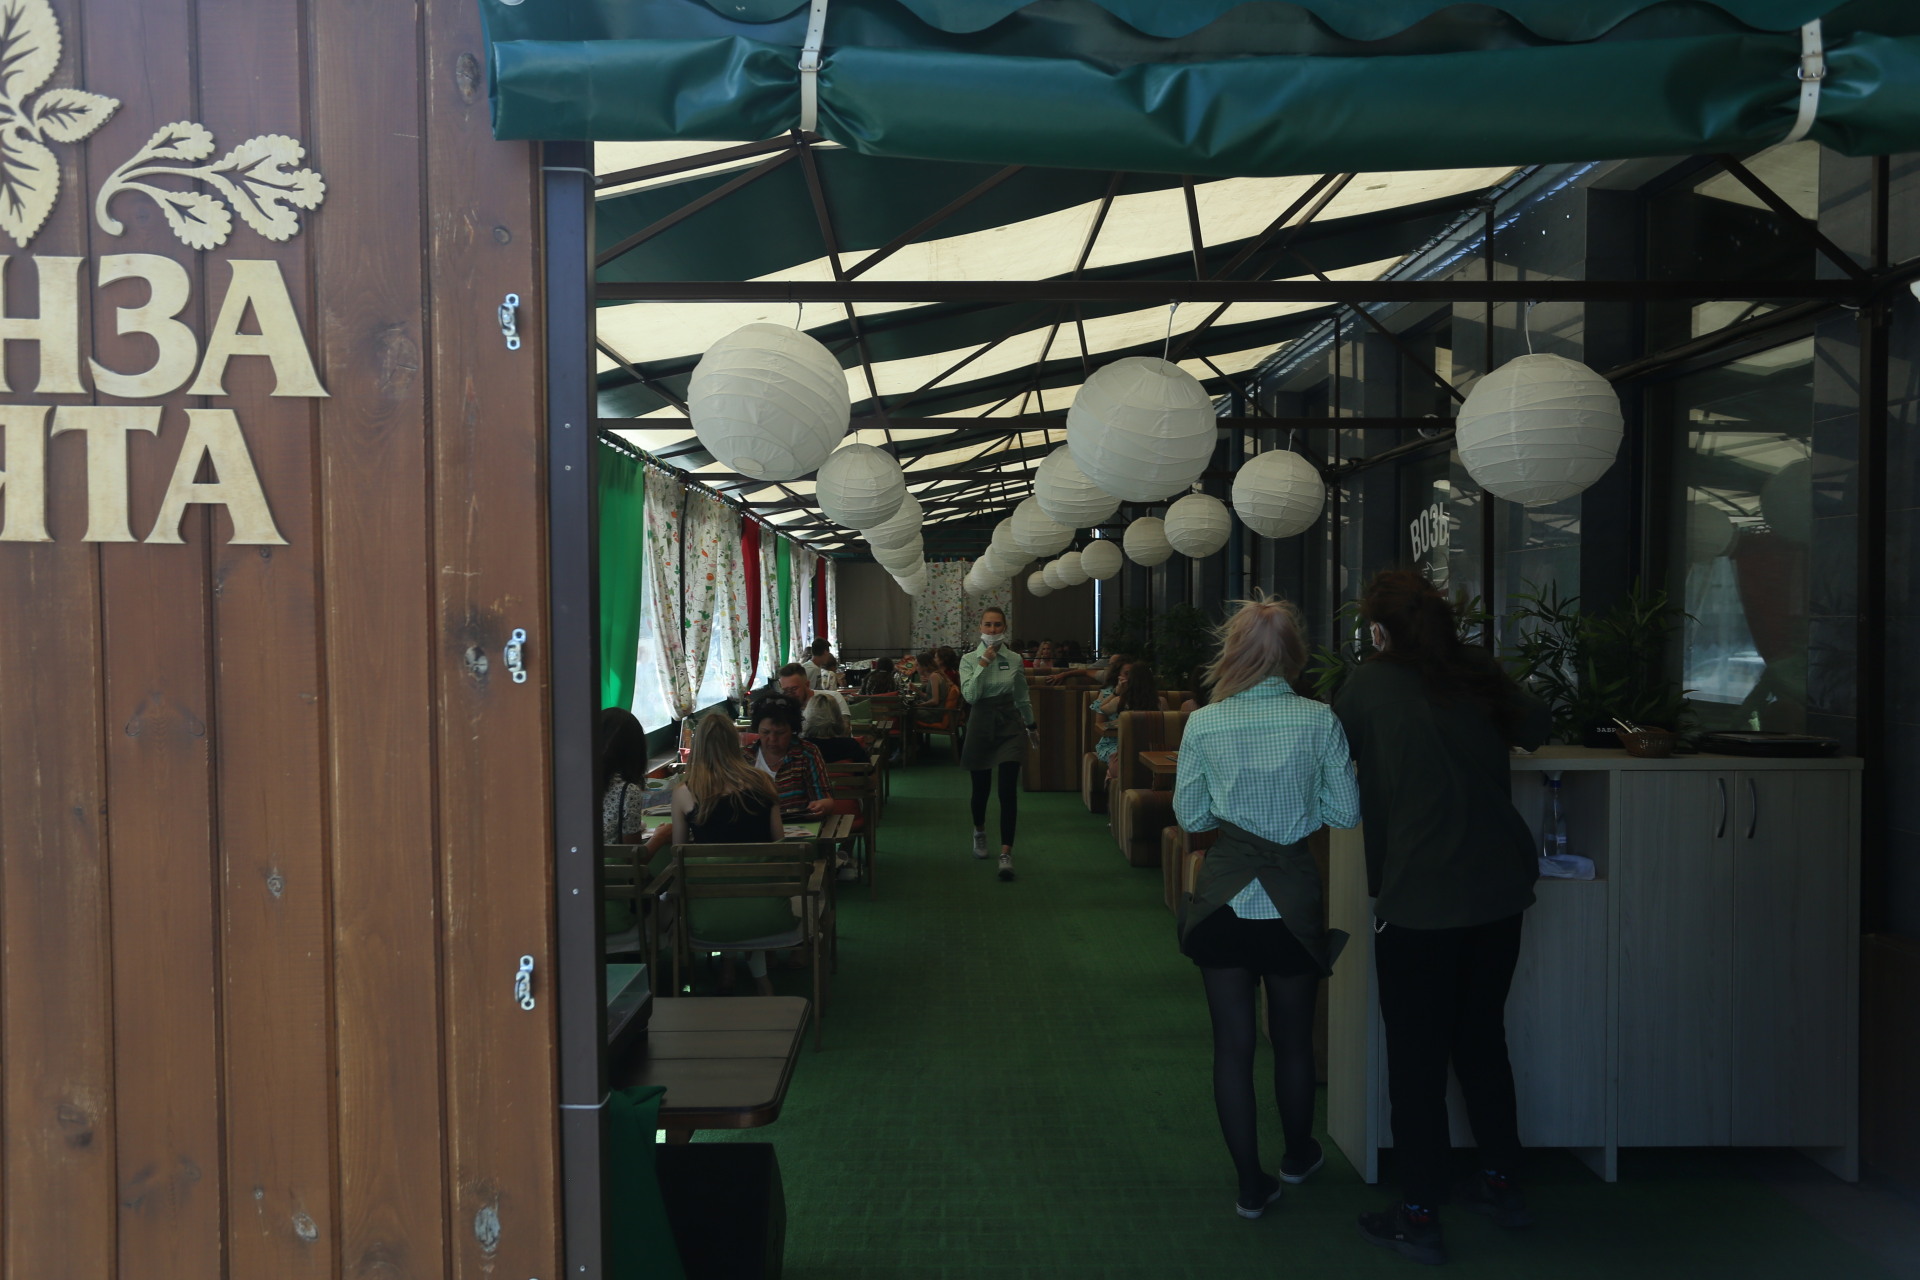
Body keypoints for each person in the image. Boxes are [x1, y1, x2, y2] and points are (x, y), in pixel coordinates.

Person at [1333, 571, 1551, 1266]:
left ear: (1378, 632)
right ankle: (1501, 1183)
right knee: (1482, 1038)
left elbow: (1335, 757)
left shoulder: (1369, 683)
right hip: (1499, 892)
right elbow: (1539, 728)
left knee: (1417, 1060)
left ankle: (1420, 1213)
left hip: (1419, 897)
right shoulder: (1476, 669)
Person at [1172, 595, 1360, 1222]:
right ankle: (1299, 1155)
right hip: (1292, 902)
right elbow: (1344, 813)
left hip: (1223, 902)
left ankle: (1250, 1185)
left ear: (1233, 654)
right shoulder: (1320, 720)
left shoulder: (1204, 723)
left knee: (1233, 1047)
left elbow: (1192, 816)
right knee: (1294, 1041)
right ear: (1295, 655)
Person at [670, 711, 786, 995]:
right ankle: (757, 976)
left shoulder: (685, 792)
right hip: (765, 907)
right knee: (747, 883)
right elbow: (780, 845)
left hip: (709, 913)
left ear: (698, 747)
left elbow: (678, 855)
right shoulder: (763, 782)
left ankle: (727, 970)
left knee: (720, 886)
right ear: (736, 744)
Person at [959, 606, 1037, 881]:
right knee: (980, 790)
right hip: (981, 722)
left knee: (1007, 790)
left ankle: (1006, 853)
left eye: (997, 625)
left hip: (1009, 725)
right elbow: (970, 696)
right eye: (988, 625)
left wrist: (1031, 725)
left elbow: (1022, 695)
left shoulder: (1015, 659)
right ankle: (979, 831)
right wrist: (983, 664)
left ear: (1005, 627)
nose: (992, 630)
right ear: (980, 627)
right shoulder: (968, 659)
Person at [747, 694, 836, 818]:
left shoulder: (807, 753)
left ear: (792, 731)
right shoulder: (746, 756)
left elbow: (825, 799)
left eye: (780, 733)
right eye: (765, 732)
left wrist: (821, 806)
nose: (772, 739)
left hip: (797, 824)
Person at [1101, 660, 1168, 782]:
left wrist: (1116, 691)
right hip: (1154, 755)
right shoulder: (1161, 702)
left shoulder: (1121, 701)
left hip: (1126, 757)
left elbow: (1102, 708)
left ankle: (1112, 785)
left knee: (1112, 768)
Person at [802, 693, 867, 764]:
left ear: (808, 716)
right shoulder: (851, 745)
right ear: (837, 716)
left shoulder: (801, 748)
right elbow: (867, 768)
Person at [778, 661, 850, 718]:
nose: (790, 694)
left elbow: (845, 729)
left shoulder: (833, 698)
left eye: (794, 688)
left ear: (807, 685)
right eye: (785, 690)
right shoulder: (783, 709)